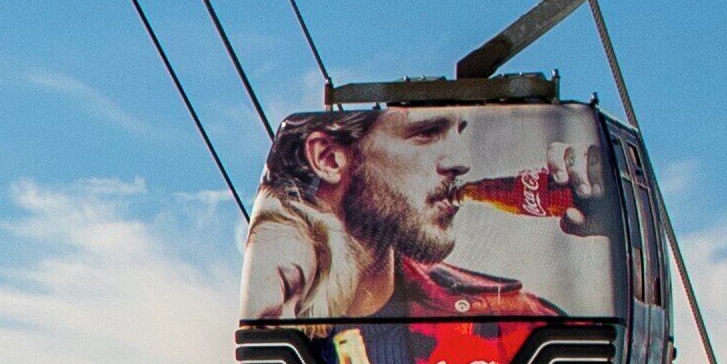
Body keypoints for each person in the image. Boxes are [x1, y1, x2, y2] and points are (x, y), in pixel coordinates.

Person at [240, 103, 600, 324]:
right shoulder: (280, 311)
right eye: (427, 133)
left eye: (459, 132)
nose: (462, 162)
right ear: (329, 158)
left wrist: (616, 230)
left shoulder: (512, 319)